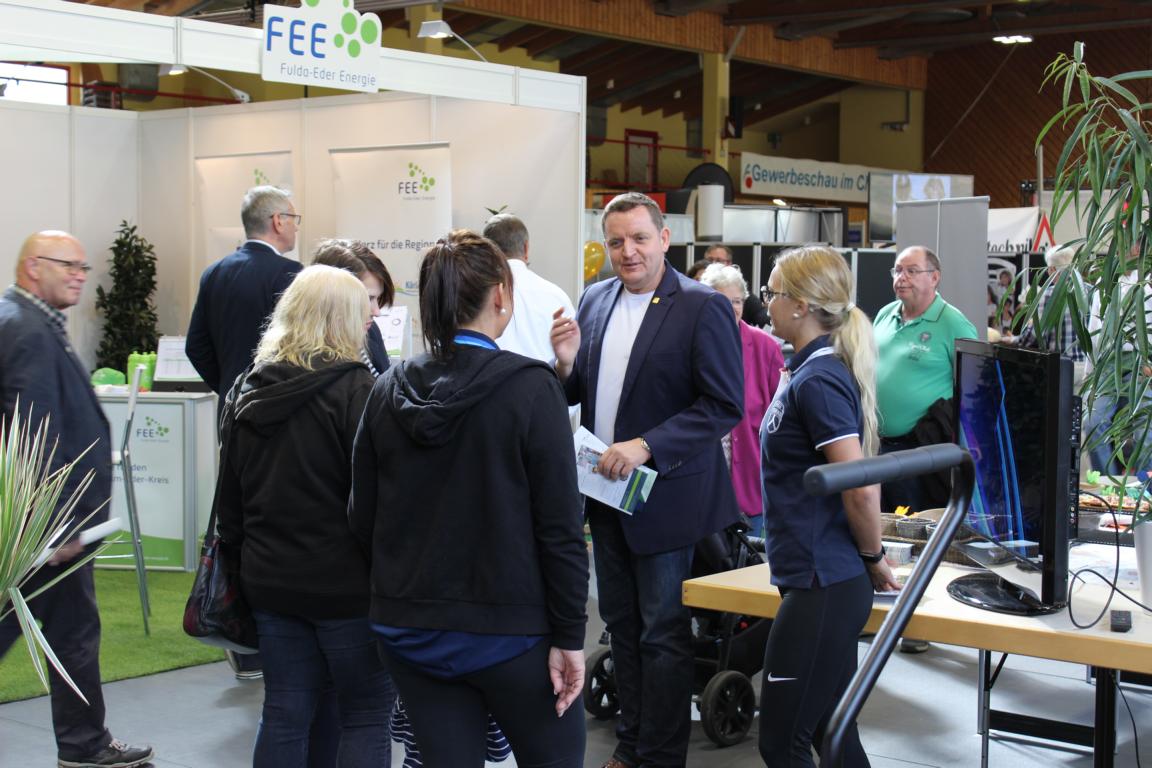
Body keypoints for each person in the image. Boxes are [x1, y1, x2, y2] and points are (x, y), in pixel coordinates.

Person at [351, 230, 588, 767]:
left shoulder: (387, 389)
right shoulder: (531, 388)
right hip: (512, 633)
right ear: (500, 294)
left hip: (411, 630)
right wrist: (570, 634)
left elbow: (362, 516)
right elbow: (560, 528)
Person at [551, 192, 743, 768]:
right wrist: (564, 363)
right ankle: (631, 745)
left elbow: (723, 405)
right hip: (605, 494)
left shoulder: (702, 306)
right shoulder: (595, 298)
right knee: (620, 626)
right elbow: (578, 390)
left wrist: (647, 445)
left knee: (662, 632)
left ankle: (659, 756)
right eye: (615, 241)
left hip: (667, 498)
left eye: (638, 238)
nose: (627, 251)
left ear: (664, 238)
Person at [215, 265, 394, 768]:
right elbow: (376, 502)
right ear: (340, 319)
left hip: (270, 582)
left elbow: (230, 502)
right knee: (365, 713)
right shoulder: (360, 392)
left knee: (284, 712)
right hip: (347, 588)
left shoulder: (247, 389)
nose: (371, 319)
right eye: (362, 310)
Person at [0, 231, 154, 768]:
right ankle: (85, 743)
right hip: (47, 524)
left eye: (84, 268)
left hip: (43, 521)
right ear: (31, 266)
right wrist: (59, 522)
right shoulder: (25, 328)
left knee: (65, 628)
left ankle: (84, 742)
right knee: (66, 630)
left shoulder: (31, 321)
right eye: (67, 265)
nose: (79, 276)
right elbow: (33, 429)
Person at [758, 245, 900, 768]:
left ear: (800, 305)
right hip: (816, 576)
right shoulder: (805, 371)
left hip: (825, 582)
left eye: (772, 292)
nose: (766, 302)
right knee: (832, 733)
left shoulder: (818, 379)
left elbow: (858, 485)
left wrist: (873, 557)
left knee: (782, 743)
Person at [874, 246, 977, 514]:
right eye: (897, 270)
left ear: (934, 277)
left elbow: (977, 386)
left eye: (911, 271)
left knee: (917, 524)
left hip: (921, 449)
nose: (901, 278)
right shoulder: (886, 314)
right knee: (885, 523)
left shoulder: (953, 324)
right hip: (878, 444)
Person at [186, 185, 303, 396]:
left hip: (228, 405)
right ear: (278, 221)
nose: (296, 228)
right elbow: (301, 346)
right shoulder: (290, 273)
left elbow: (196, 347)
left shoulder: (213, 273)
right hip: (275, 403)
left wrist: (231, 389)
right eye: (294, 219)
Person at [699, 262, 783, 536]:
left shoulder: (765, 347)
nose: (731, 308)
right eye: (722, 301)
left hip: (750, 484)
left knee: (749, 558)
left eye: (736, 301)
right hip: (701, 484)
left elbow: (781, 418)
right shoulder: (691, 341)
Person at [482, 213, 575, 363]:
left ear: (487, 252)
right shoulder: (557, 296)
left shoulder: (475, 296)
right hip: (546, 377)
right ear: (526, 248)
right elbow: (573, 356)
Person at [311, 239, 396, 375]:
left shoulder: (370, 331)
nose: (376, 312)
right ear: (332, 296)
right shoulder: (304, 358)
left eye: (377, 298)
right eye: (367, 298)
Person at [705, 244, 768, 326]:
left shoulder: (739, 292)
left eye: (718, 261)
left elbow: (761, 315)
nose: (713, 264)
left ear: (729, 263)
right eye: (709, 260)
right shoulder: (697, 289)